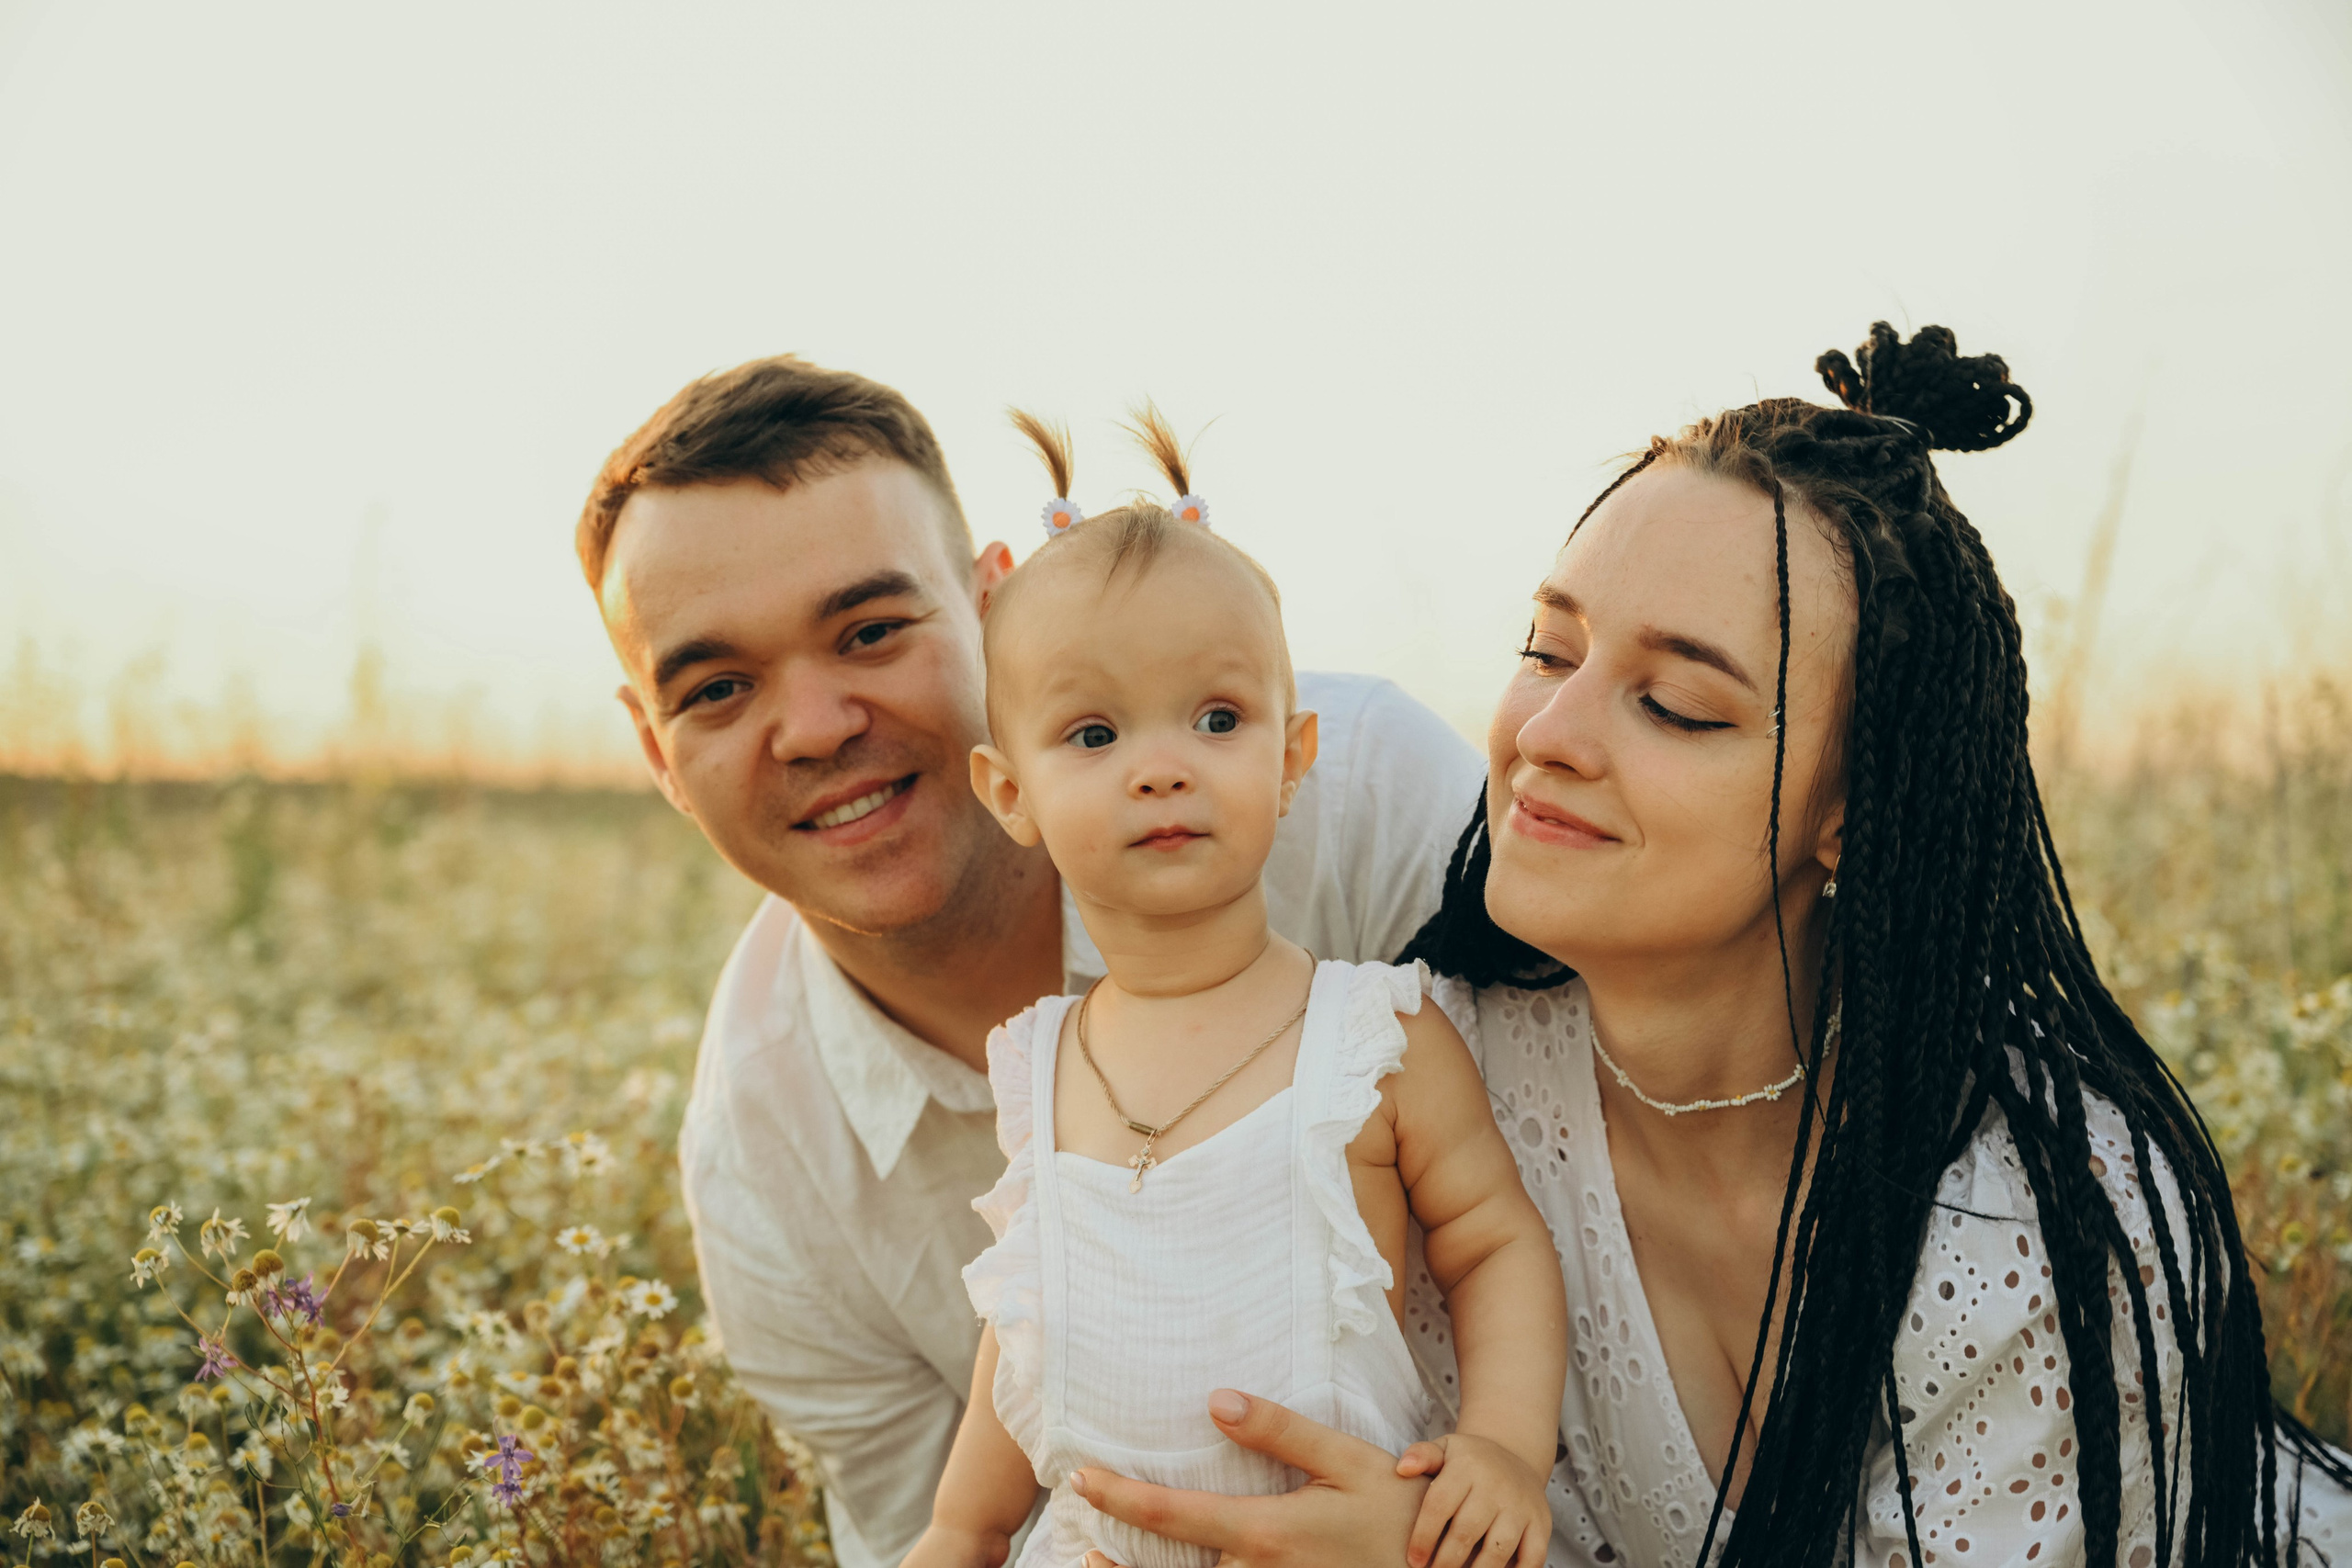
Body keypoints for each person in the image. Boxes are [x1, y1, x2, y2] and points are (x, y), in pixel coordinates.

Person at [1068, 324, 2352, 1566]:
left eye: (1676, 703)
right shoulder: (1412, 1084)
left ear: (1854, 807)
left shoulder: (2041, 1213)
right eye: (1547, 646)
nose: (1549, 730)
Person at [573, 357, 1483, 1566]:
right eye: (719, 686)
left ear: (995, 605)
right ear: (655, 749)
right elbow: (935, 1533)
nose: (815, 725)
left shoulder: (1364, 804)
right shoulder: (765, 1166)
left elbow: (1634, 1288)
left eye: (871, 630)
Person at [899, 412, 1566, 1568]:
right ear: (1009, 794)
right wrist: (964, 1527)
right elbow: (1027, 1323)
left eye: (1217, 719)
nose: (1162, 765)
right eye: (1094, 732)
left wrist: (1503, 1447)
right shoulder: (1043, 1058)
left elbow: (1494, 1243)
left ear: (1292, 756)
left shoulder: (1373, 1036)